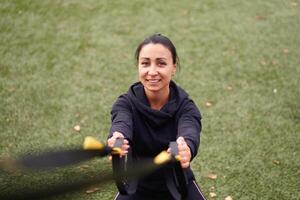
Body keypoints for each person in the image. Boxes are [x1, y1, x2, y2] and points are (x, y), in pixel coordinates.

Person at [107, 33, 205, 200]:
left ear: (173, 67)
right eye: (145, 63)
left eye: (161, 63)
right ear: (138, 66)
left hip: (179, 184)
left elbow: (189, 130)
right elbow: (121, 122)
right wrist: (118, 138)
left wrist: (185, 146)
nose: (152, 72)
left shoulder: (186, 107)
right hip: (136, 187)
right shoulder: (125, 103)